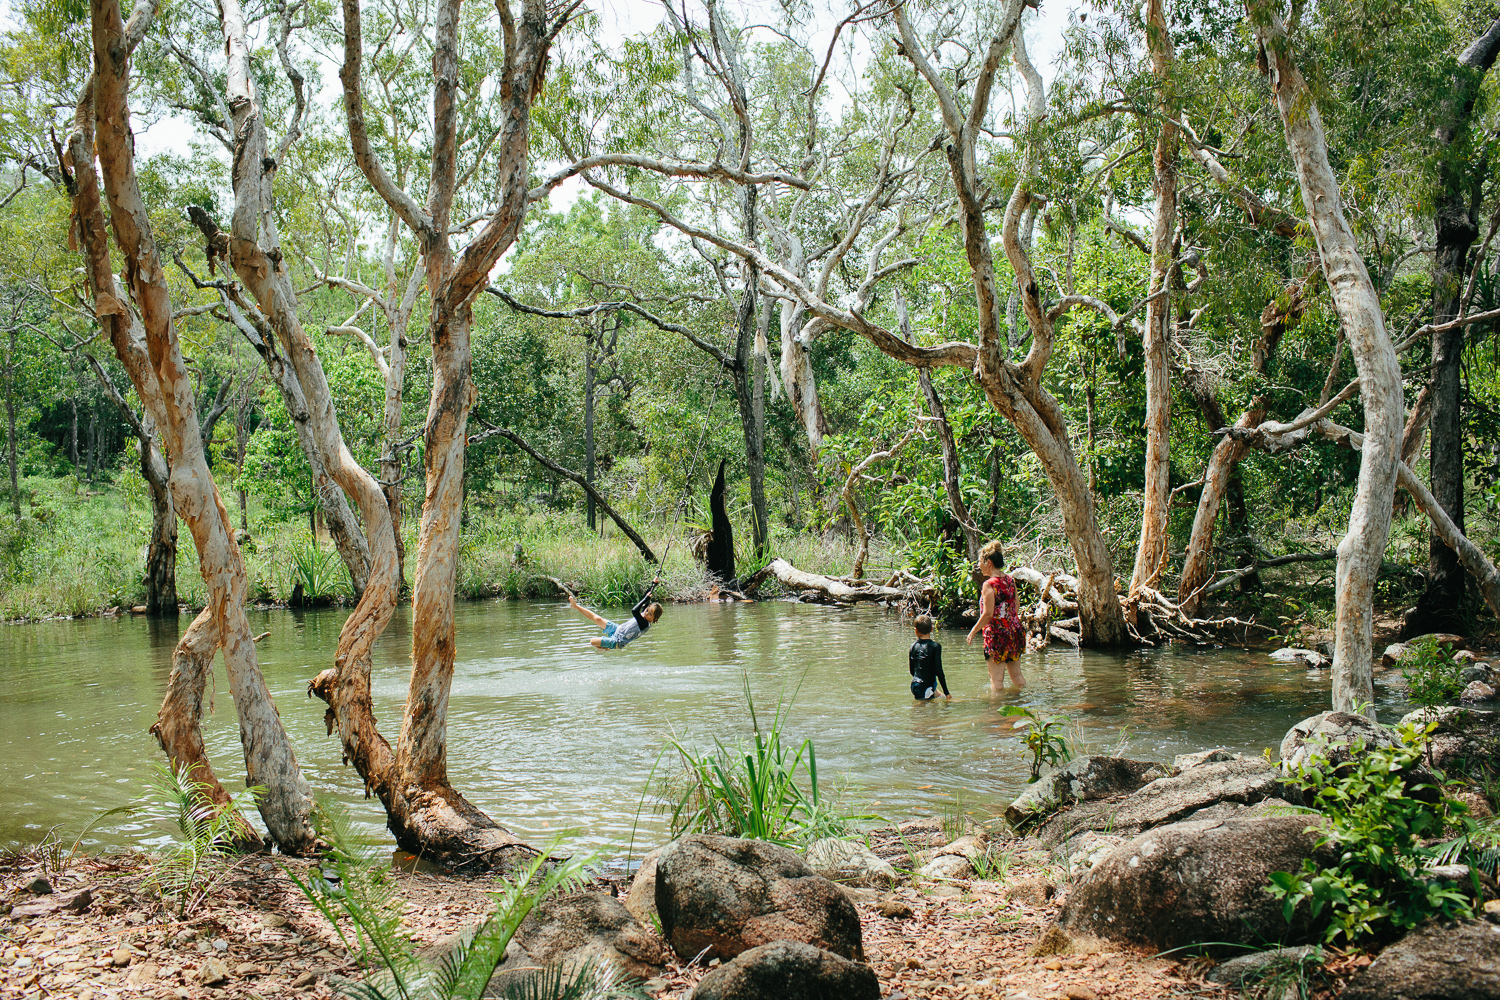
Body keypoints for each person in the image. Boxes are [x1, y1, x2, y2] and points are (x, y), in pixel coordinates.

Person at [966, 540, 1025, 692]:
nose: (978, 565)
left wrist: (973, 632)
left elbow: (988, 614)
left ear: (989, 562)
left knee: (996, 681)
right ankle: (1021, 706)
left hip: (997, 635)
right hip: (1014, 632)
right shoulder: (1010, 580)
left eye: (980, 561)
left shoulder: (989, 584)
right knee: (1017, 677)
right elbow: (1016, 606)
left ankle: (996, 714)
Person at [569, 577, 664, 650]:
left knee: (592, 641)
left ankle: (607, 647)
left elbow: (634, 611)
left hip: (617, 641)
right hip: (618, 629)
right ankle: (575, 606)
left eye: (650, 614)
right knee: (598, 619)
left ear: (654, 619)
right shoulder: (645, 614)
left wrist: (646, 599)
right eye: (647, 610)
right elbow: (645, 597)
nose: (646, 613)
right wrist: (653, 585)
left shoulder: (645, 624)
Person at [908, 614, 950, 702]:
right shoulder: (935, 646)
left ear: (916, 631)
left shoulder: (913, 646)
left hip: (915, 684)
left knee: (926, 703)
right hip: (927, 686)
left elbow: (912, 671)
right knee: (928, 710)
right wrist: (947, 693)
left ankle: (935, 692)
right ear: (932, 629)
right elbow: (939, 671)